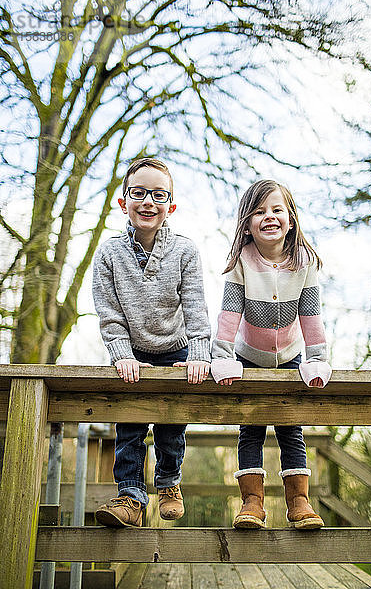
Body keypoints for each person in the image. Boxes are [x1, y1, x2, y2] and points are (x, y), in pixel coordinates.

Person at [92, 157, 211, 527]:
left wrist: (200, 355)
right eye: (139, 193)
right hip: (133, 352)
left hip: (176, 349)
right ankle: (130, 497)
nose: (148, 201)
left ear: (170, 206)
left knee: (171, 423)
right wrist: (121, 355)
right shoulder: (109, 253)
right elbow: (109, 313)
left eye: (158, 195)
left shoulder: (185, 251)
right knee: (129, 424)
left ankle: (169, 482)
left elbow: (195, 307)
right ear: (123, 201)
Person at [211, 179, 332, 531]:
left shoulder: (304, 262)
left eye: (277, 209)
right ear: (247, 224)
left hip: (292, 357)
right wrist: (222, 357)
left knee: (291, 426)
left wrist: (317, 359)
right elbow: (229, 314)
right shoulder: (241, 262)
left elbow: (311, 316)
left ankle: (299, 501)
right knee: (250, 427)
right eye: (259, 211)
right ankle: (252, 502)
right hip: (249, 356)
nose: (269, 217)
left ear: (290, 219)